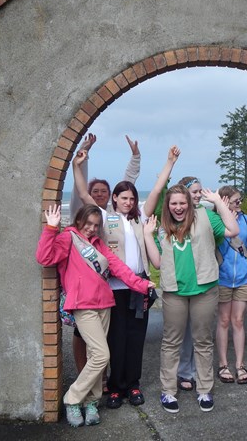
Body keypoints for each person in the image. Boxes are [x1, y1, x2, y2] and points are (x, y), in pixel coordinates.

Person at [73, 145, 181, 409]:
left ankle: (133, 385)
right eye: (124, 198)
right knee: (116, 339)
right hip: (114, 289)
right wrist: (78, 166)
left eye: (132, 198)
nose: (129, 202)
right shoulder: (104, 218)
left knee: (135, 339)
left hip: (139, 288)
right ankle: (116, 388)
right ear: (114, 199)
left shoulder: (140, 219)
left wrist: (169, 162)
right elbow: (84, 194)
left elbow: (156, 190)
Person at [36, 204, 155, 427]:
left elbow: (118, 268)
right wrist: (51, 229)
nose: (91, 228)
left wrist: (141, 284)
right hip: (83, 305)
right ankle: (72, 399)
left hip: (105, 305)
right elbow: (45, 258)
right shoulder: (68, 238)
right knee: (103, 355)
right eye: (88, 223)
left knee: (95, 357)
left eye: (96, 225)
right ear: (79, 220)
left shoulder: (99, 244)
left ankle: (91, 402)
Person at [144, 185, 239, 413]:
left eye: (182, 203)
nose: (178, 207)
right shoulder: (162, 225)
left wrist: (218, 202)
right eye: (173, 203)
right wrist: (147, 235)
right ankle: (168, 391)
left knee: (203, 341)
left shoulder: (206, 217)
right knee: (171, 342)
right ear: (168, 205)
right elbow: (157, 263)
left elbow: (233, 230)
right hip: (174, 291)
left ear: (189, 202)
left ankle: (204, 389)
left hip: (204, 289)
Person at [67, 133, 140, 390]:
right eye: (95, 191)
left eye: (104, 192)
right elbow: (81, 191)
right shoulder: (86, 216)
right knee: (84, 334)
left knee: (109, 337)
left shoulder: (113, 216)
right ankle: (84, 379)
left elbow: (127, 185)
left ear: (110, 196)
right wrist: (78, 164)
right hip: (85, 285)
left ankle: (102, 381)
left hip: (109, 285)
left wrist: (135, 158)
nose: (99, 195)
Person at [214, 186, 247, 384]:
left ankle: (239, 364)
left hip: (241, 276)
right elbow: (216, 246)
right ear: (224, 201)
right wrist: (226, 219)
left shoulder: (246, 220)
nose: (239, 204)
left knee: (238, 321)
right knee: (224, 320)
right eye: (235, 201)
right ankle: (223, 364)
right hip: (222, 276)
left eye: (240, 200)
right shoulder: (216, 220)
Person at [173, 176, 203, 391]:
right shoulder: (170, 222)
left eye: (200, 192)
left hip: (203, 284)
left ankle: (197, 372)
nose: (198, 195)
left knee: (200, 333)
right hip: (179, 286)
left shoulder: (205, 217)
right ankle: (184, 371)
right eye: (194, 192)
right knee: (181, 336)